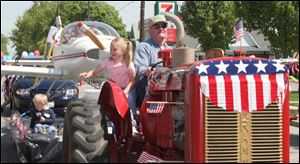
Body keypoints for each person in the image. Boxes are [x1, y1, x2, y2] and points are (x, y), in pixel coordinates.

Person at [79, 37, 138, 133]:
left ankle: (132, 125)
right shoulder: (108, 62)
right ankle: (115, 124)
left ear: (123, 50)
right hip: (116, 89)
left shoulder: (128, 64)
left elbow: (132, 81)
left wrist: (125, 92)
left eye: (115, 49)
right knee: (111, 104)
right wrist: (88, 74)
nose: (112, 52)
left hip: (128, 88)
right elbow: (95, 71)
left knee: (128, 101)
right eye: (111, 49)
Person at [131, 14, 170, 107]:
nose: (161, 29)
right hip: (151, 88)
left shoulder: (171, 49)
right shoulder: (144, 47)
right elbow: (139, 68)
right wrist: (147, 70)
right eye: (157, 26)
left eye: (164, 26)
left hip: (169, 86)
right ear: (150, 31)